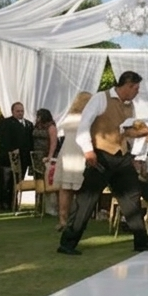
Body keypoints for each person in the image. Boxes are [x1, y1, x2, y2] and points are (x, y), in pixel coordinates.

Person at [58, 72, 148, 255]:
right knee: (86, 200)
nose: (137, 93)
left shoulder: (130, 106)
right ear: (128, 85)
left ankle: (141, 240)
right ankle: (67, 243)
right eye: (136, 88)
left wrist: (146, 135)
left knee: (132, 198)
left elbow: (126, 132)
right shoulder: (101, 99)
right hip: (100, 155)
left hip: (121, 156)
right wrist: (88, 149)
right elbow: (85, 124)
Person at [53, 92, 93, 230]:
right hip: (79, 153)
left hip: (67, 153)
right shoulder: (87, 119)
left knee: (65, 189)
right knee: (80, 189)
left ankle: (63, 219)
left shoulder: (68, 118)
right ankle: (77, 219)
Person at [0, 102, 33, 212]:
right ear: (12, 111)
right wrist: (12, 149)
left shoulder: (29, 124)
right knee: (5, 182)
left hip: (23, 159)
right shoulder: (5, 123)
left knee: (17, 182)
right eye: (18, 111)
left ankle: (14, 203)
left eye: (22, 111)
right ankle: (3, 204)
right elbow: (4, 139)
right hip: (7, 159)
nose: (20, 113)